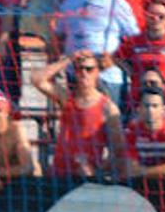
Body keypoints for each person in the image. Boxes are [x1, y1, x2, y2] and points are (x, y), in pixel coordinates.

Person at [55, 0, 140, 106]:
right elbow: (58, 37)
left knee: (108, 124)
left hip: (107, 77)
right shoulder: (70, 3)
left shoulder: (118, 3)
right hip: (76, 76)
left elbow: (135, 40)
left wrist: (114, 60)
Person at [33, 50, 122, 179]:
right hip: (58, 175)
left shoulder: (108, 108)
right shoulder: (67, 98)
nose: (84, 73)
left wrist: (97, 171)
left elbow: (118, 150)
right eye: (79, 69)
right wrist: (69, 58)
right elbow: (37, 79)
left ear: (97, 72)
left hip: (85, 179)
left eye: (89, 69)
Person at [124, 86, 165, 179]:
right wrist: (162, 170)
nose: (150, 110)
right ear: (139, 108)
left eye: (155, 106)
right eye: (146, 105)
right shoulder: (132, 130)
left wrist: (143, 171)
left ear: (163, 108)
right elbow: (131, 169)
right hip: (141, 184)